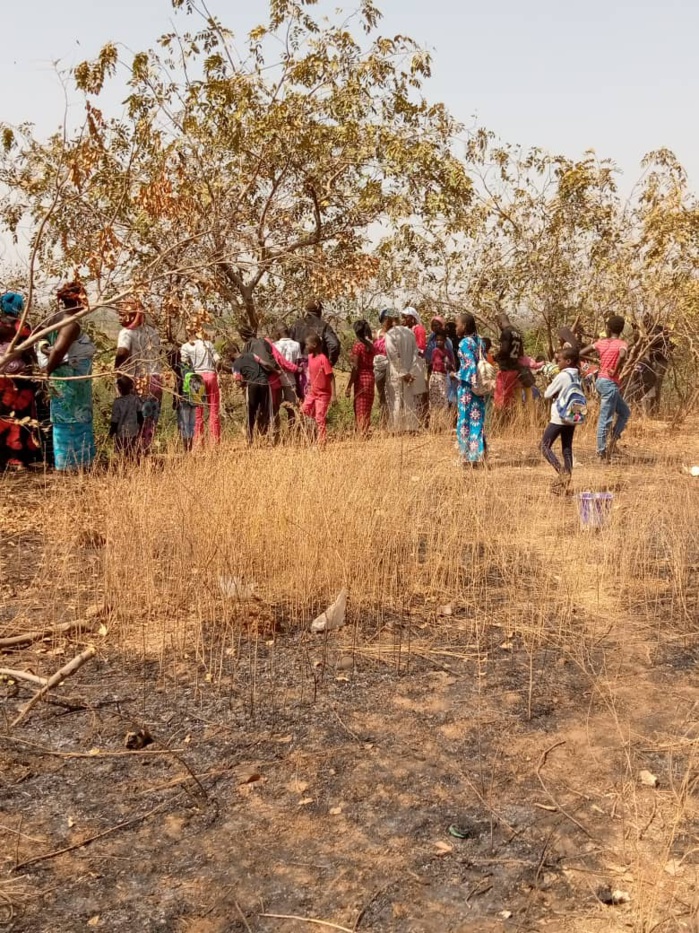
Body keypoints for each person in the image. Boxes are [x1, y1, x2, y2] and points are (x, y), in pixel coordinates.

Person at [38, 282, 96, 472]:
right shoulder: (70, 324)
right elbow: (59, 350)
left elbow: (45, 341)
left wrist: (45, 349)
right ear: (79, 300)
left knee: (65, 421)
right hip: (71, 384)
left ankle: (70, 466)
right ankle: (73, 467)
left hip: (66, 380)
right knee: (73, 421)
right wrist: (47, 370)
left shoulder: (56, 318)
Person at [0, 292, 41, 470]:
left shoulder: (1, 325)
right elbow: (30, 353)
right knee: (22, 417)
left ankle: (5, 459)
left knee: (3, 416)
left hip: (2, 379)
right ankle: (21, 458)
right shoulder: (23, 326)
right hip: (21, 377)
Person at [115, 299, 162, 452]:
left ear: (132, 315)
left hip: (137, 380)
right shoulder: (153, 332)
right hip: (155, 380)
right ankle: (144, 455)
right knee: (148, 422)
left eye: (122, 315)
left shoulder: (126, 333)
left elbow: (122, 352)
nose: (119, 318)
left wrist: (117, 369)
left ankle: (131, 459)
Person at [581, 315, 630, 462]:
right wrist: (615, 369)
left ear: (608, 328)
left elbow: (580, 353)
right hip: (610, 382)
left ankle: (611, 441)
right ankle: (601, 452)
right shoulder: (622, 343)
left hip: (601, 381)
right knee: (606, 418)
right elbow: (622, 354)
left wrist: (596, 360)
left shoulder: (601, 343)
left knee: (625, 412)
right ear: (621, 330)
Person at [541, 347, 582, 492]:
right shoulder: (577, 375)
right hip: (573, 415)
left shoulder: (563, 376)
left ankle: (561, 472)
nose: (557, 363)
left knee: (544, 446)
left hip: (559, 416)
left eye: (559, 360)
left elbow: (547, 394)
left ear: (568, 361)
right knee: (567, 449)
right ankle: (566, 481)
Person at [453, 312, 487, 465]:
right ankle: (478, 454)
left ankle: (466, 456)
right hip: (479, 389)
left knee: (465, 420)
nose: (455, 328)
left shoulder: (464, 343)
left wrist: (457, 375)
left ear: (464, 326)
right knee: (477, 421)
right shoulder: (479, 341)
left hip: (467, 389)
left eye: (457, 325)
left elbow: (470, 364)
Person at [180, 327, 221, 445]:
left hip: (197, 377)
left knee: (198, 413)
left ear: (188, 334)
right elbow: (218, 360)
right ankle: (215, 443)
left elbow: (184, 363)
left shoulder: (186, 347)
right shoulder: (208, 344)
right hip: (211, 375)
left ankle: (199, 443)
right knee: (214, 410)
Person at [384, 314, 421, 433]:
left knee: (396, 400)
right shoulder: (409, 333)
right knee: (408, 400)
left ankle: (397, 429)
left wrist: (402, 372)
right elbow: (416, 353)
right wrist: (411, 372)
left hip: (396, 373)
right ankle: (410, 428)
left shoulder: (390, 334)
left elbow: (392, 354)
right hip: (409, 372)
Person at [231, 345, 273, 443]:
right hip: (264, 383)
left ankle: (250, 438)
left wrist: (243, 384)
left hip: (252, 386)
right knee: (265, 410)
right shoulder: (252, 355)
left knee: (251, 412)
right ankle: (266, 436)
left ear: (230, 354)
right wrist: (276, 371)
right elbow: (265, 364)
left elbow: (238, 380)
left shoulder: (235, 365)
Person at [301, 333, 333, 443]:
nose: (305, 347)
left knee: (320, 418)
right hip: (312, 391)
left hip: (323, 394)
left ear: (314, 345)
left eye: (307, 345)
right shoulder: (310, 357)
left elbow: (331, 376)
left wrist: (334, 395)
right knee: (303, 410)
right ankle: (313, 432)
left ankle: (322, 441)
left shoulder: (323, 359)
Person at [290, 299, 341, 366]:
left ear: (306, 311)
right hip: (318, 366)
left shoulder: (296, 325)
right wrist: (329, 363)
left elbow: (289, 345)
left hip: (299, 367)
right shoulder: (324, 326)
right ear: (319, 311)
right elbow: (334, 345)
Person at [345, 320, 375, 433]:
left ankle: (361, 432)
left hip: (361, 380)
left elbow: (356, 367)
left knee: (360, 407)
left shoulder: (358, 346)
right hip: (370, 378)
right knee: (367, 407)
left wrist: (349, 386)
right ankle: (364, 430)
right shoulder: (370, 346)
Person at [494, 313, 524, 410]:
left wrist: (495, 358)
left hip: (506, 369)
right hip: (515, 369)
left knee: (501, 397)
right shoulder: (517, 333)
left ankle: (501, 421)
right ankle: (509, 420)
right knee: (510, 397)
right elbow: (521, 353)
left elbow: (504, 350)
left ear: (499, 322)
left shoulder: (506, 332)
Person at [167, 347, 195, 452]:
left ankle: (185, 450)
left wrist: (175, 401)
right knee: (191, 425)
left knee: (184, 425)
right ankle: (190, 448)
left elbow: (178, 385)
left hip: (183, 400)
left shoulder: (176, 368)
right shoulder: (188, 366)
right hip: (193, 399)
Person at [109, 376, 143, 459]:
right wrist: (140, 428)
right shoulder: (136, 399)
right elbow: (140, 415)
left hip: (121, 433)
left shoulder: (117, 402)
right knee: (132, 453)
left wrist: (111, 432)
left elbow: (115, 419)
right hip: (133, 432)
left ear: (119, 388)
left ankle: (124, 469)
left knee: (122, 454)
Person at [274, 325, 302, 421]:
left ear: (278, 333)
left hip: (276, 380)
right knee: (292, 408)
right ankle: (292, 430)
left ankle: (276, 431)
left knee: (275, 407)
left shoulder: (274, 345)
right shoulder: (296, 345)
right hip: (291, 379)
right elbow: (297, 363)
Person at [428, 332, 455, 413]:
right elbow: (438, 364)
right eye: (437, 340)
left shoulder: (447, 352)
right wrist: (447, 364)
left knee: (443, 400)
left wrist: (449, 365)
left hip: (444, 377)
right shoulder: (435, 351)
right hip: (437, 377)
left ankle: (442, 422)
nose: (439, 342)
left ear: (445, 340)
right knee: (437, 401)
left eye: (441, 340)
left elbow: (451, 364)